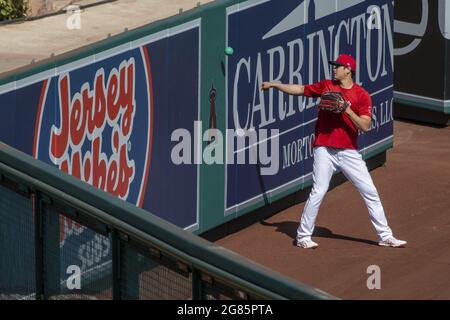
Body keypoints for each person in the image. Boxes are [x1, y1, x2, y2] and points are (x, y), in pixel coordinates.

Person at [261, 54, 407, 249]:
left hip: (348, 151)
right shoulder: (327, 86)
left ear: (348, 70)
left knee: (370, 191)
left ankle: (385, 236)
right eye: (334, 66)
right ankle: (303, 236)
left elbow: (365, 126)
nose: (334, 69)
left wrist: (347, 110)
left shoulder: (361, 95)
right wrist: (276, 85)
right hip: (325, 148)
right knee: (319, 190)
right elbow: (300, 89)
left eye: (338, 66)